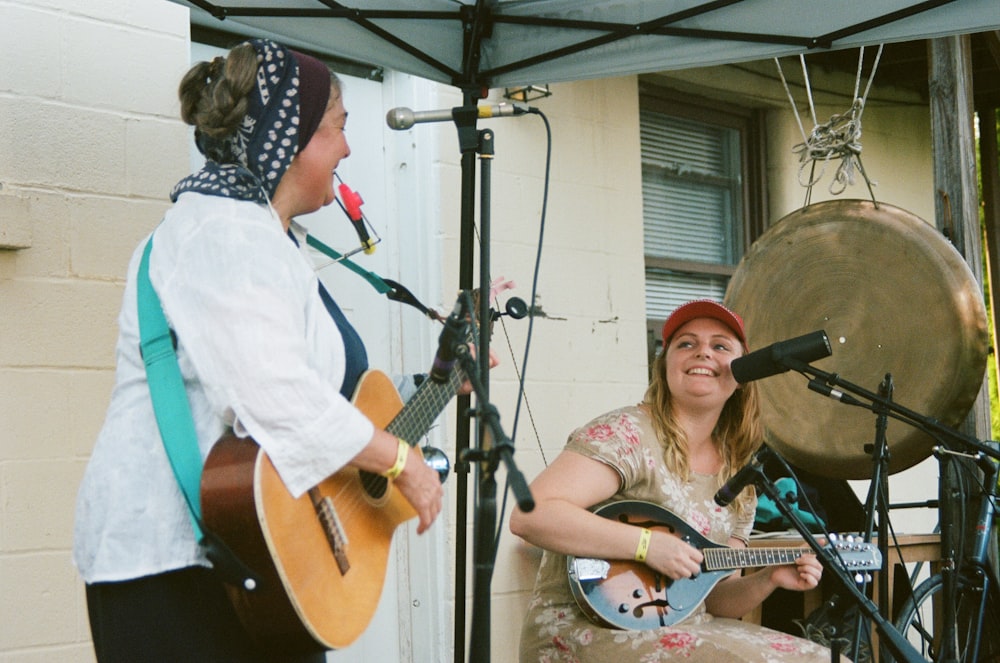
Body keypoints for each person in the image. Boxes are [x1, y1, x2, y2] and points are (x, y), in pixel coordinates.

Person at [73, 39, 446, 662]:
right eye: (337, 130)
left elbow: (328, 400)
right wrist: (400, 461)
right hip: (176, 564)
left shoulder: (266, 240)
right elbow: (272, 393)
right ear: (287, 136)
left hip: (245, 556)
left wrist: (439, 381)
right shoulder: (223, 234)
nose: (348, 149)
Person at [510, 300, 844, 662]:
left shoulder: (740, 476)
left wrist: (768, 579)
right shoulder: (627, 434)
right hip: (586, 633)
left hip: (689, 631)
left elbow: (716, 597)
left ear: (742, 374)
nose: (702, 352)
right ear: (665, 365)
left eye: (720, 346)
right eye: (686, 343)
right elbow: (531, 514)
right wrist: (645, 545)